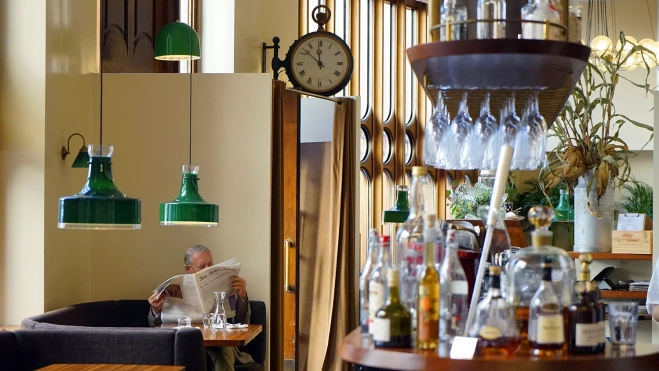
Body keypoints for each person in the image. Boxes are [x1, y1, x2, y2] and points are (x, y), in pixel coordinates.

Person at [148, 245, 255, 371]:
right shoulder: (175, 286)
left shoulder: (225, 284)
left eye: (210, 264)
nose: (207, 269)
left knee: (222, 348)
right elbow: (153, 326)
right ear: (188, 268)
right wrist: (155, 310)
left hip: (218, 342)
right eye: (201, 266)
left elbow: (241, 323)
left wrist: (242, 296)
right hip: (185, 341)